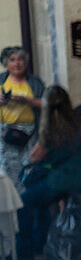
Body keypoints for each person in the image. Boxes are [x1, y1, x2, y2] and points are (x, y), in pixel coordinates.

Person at [17, 86, 81, 258]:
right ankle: (40, 244)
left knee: (24, 203)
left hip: (60, 181)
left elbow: (34, 157)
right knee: (41, 202)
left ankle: (25, 250)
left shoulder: (52, 129)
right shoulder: (79, 124)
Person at [0, 47, 45, 188]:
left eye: (20, 59)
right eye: (12, 60)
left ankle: (27, 201)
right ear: (6, 64)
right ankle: (12, 203)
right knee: (7, 169)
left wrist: (27, 100)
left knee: (29, 166)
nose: (17, 63)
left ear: (25, 63)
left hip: (30, 132)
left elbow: (46, 103)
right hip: (6, 132)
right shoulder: (1, 80)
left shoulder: (34, 82)